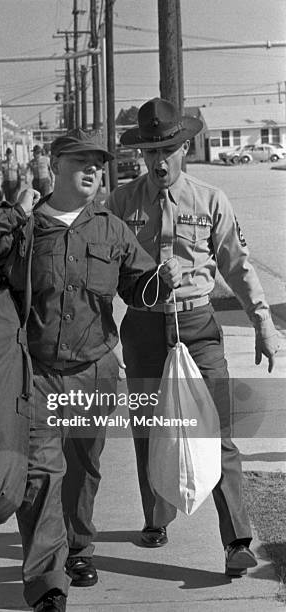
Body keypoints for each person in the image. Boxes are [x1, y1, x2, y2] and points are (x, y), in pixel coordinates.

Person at [0, 128, 180, 612]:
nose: (93, 170)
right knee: (41, 477)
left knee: (83, 471)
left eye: (99, 163)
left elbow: (138, 291)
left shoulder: (111, 228)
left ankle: (78, 549)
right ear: (55, 167)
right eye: (81, 162)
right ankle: (47, 583)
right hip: (36, 374)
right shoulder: (25, 227)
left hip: (95, 372)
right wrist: (14, 210)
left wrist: (161, 281)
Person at [107, 97, 280, 577]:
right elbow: (100, 269)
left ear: (184, 147)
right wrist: (103, 332)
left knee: (218, 432)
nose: (158, 161)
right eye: (149, 152)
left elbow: (237, 266)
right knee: (147, 429)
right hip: (143, 328)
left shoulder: (211, 201)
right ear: (140, 155)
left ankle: (237, 542)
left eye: (167, 150)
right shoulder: (120, 203)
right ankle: (156, 518)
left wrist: (263, 322)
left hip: (198, 326)